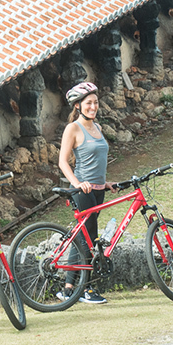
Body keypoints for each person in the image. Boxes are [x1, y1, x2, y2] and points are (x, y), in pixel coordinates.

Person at [58, 80, 110, 304]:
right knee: (89, 238)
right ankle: (86, 290)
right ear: (78, 105)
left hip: (98, 190)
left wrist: (105, 182)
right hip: (82, 191)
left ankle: (69, 288)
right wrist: (78, 183)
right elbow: (63, 162)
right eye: (88, 103)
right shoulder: (73, 128)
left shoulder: (97, 127)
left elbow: (97, 160)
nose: (93, 106)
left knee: (83, 237)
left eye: (96, 102)